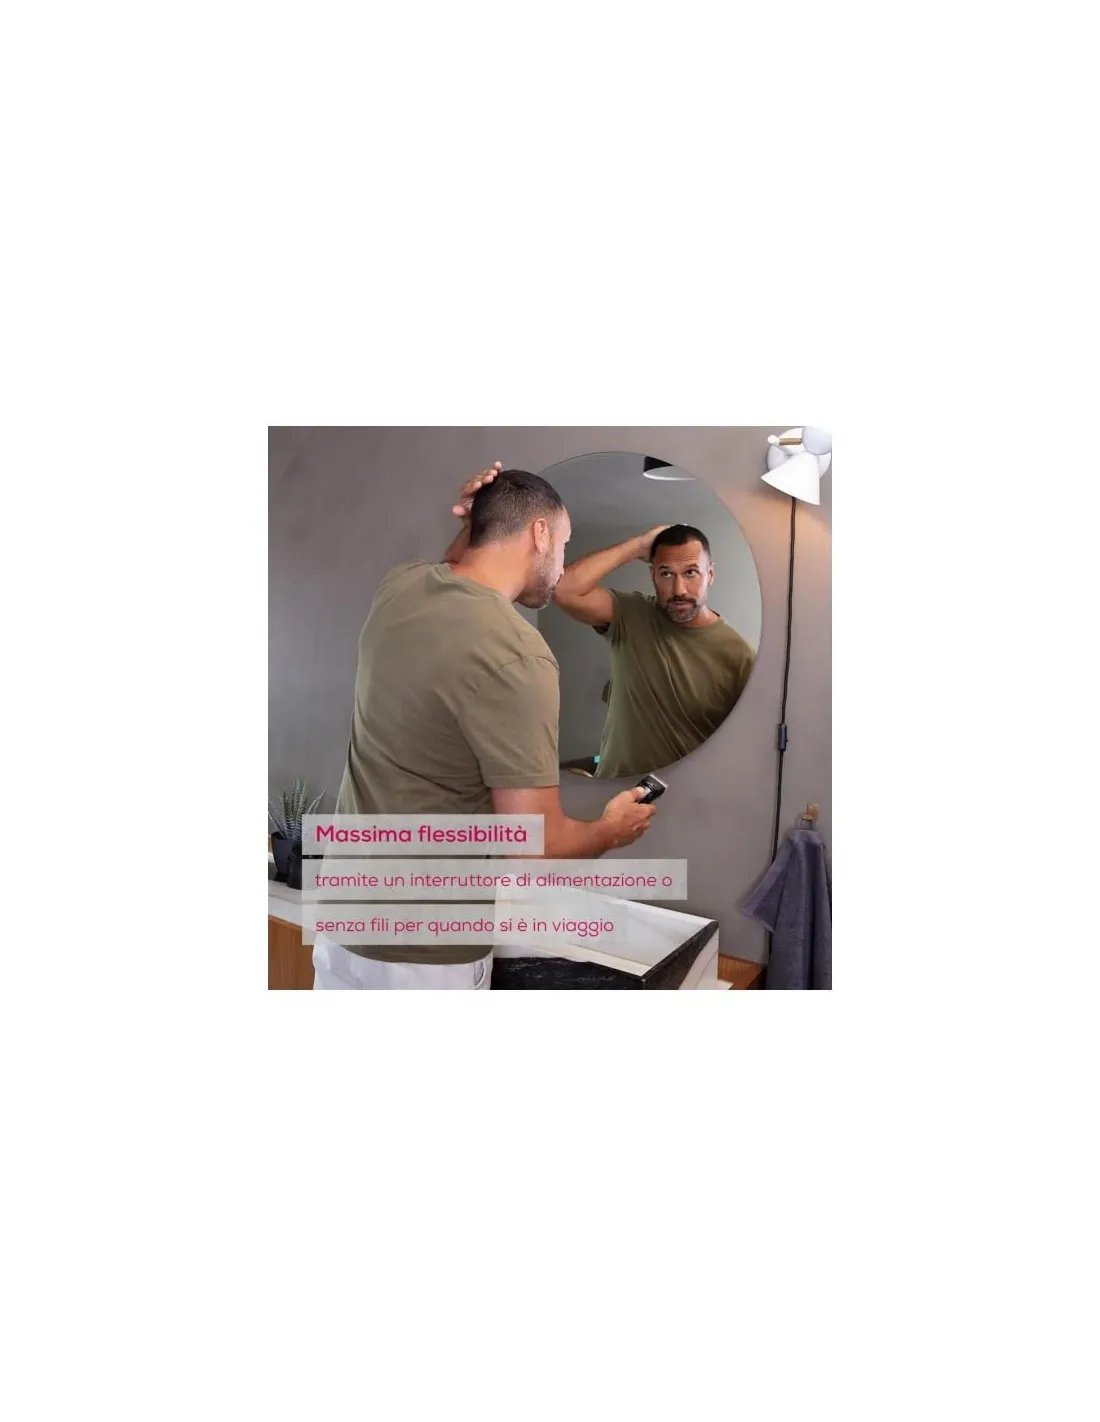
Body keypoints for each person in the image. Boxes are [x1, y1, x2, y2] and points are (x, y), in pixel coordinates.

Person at [313, 463, 657, 990]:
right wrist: (611, 829)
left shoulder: (400, 587)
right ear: (540, 533)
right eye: (564, 543)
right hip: (423, 956)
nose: (561, 566)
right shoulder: (519, 655)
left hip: (342, 923)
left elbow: (457, 565)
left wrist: (474, 523)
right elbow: (533, 849)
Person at [551, 523, 756, 779]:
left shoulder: (740, 656)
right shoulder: (632, 614)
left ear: (710, 575)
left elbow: (747, 751)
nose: (679, 590)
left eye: (691, 573)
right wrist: (637, 546)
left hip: (684, 795)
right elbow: (564, 590)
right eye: (666, 574)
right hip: (610, 792)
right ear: (653, 576)